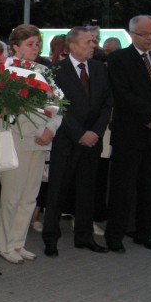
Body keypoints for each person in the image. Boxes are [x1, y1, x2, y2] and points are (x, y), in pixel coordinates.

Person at [42, 27, 112, 257]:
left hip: (92, 141)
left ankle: (84, 236)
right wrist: (79, 133)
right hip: (67, 140)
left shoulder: (100, 69)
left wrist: (95, 132)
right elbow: (57, 106)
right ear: (71, 45)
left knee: (87, 189)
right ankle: (50, 237)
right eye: (88, 42)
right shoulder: (56, 71)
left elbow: (106, 104)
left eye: (94, 42)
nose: (93, 45)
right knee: (58, 190)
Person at [0, 25, 62, 264]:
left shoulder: (44, 70)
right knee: (12, 195)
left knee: (30, 196)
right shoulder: (3, 69)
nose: (35, 48)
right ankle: (5, 245)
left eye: (37, 44)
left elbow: (59, 105)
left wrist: (50, 129)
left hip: (41, 139)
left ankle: (18, 243)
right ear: (15, 46)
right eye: (30, 44)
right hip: (16, 138)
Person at [105, 15, 151, 252]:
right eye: (144, 34)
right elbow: (122, 94)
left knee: (149, 187)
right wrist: (150, 117)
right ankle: (114, 235)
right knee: (122, 187)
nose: (149, 38)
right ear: (132, 35)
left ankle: (144, 232)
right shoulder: (119, 59)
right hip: (129, 134)